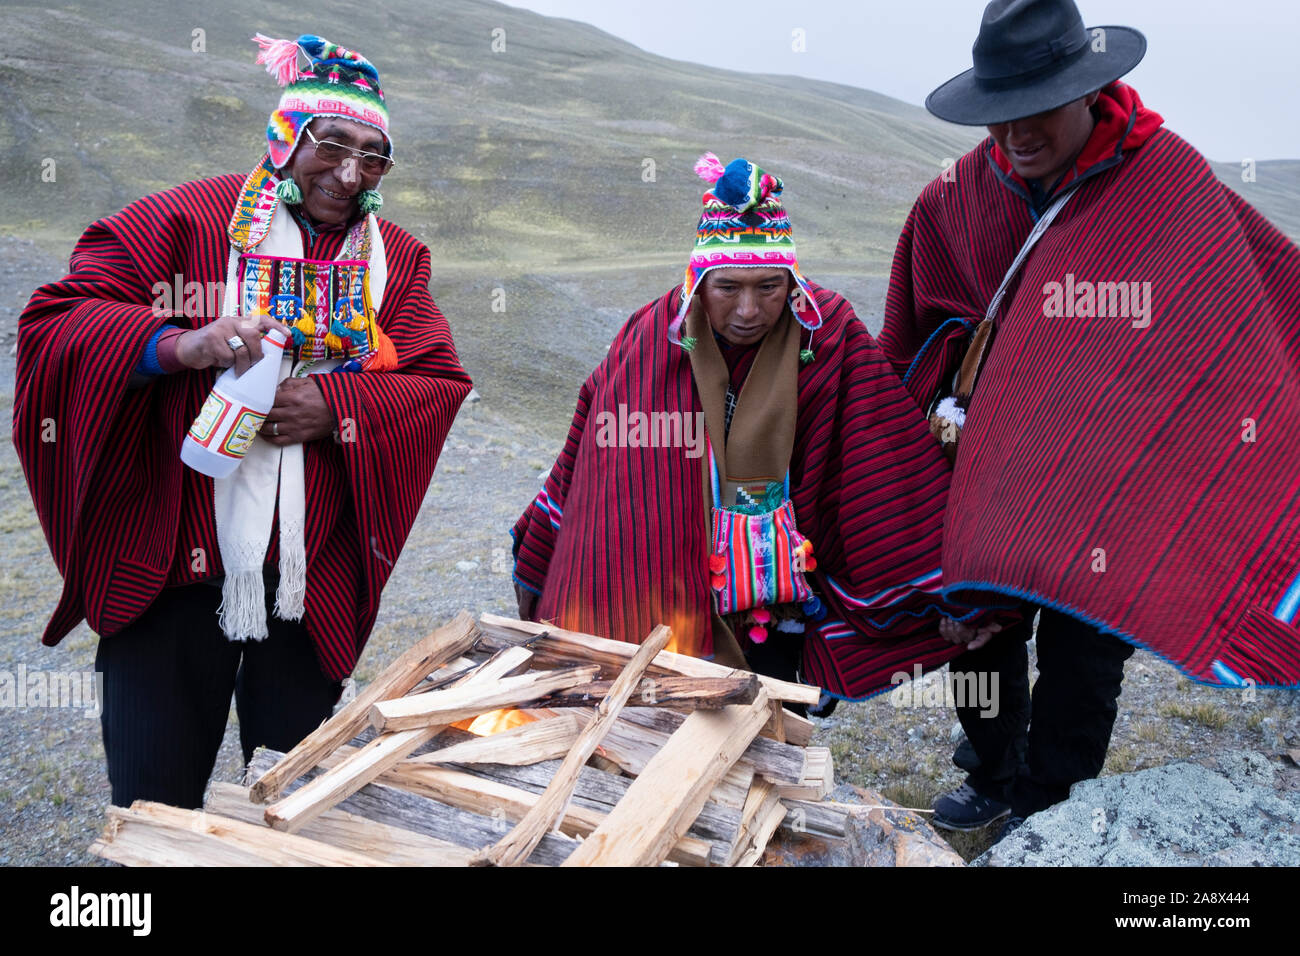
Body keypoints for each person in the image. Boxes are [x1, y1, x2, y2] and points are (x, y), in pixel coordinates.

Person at [13, 34, 472, 808]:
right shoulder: (183, 220)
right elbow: (55, 320)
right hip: (170, 556)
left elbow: (437, 380)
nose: (351, 172)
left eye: (374, 157)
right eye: (332, 145)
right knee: (154, 799)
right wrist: (174, 344)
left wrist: (339, 407)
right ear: (286, 137)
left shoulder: (395, 257)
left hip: (306, 573)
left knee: (293, 797)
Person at [879, 0, 1300, 837]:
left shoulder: (1165, 181)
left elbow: (1250, 293)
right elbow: (914, 327)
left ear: (1091, 91)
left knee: (1084, 656)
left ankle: (1048, 795)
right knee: (976, 635)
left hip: (1112, 478)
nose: (1016, 135)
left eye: (1038, 112)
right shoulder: (959, 196)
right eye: (1000, 116)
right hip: (990, 467)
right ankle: (991, 766)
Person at [511, 153, 1013, 708]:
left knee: (770, 720)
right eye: (727, 288)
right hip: (677, 585)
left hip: (788, 595)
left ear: (791, 280)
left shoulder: (828, 331)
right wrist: (545, 536)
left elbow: (883, 459)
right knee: (662, 713)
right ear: (697, 280)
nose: (748, 310)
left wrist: (954, 590)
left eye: (769, 288)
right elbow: (599, 465)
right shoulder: (652, 337)